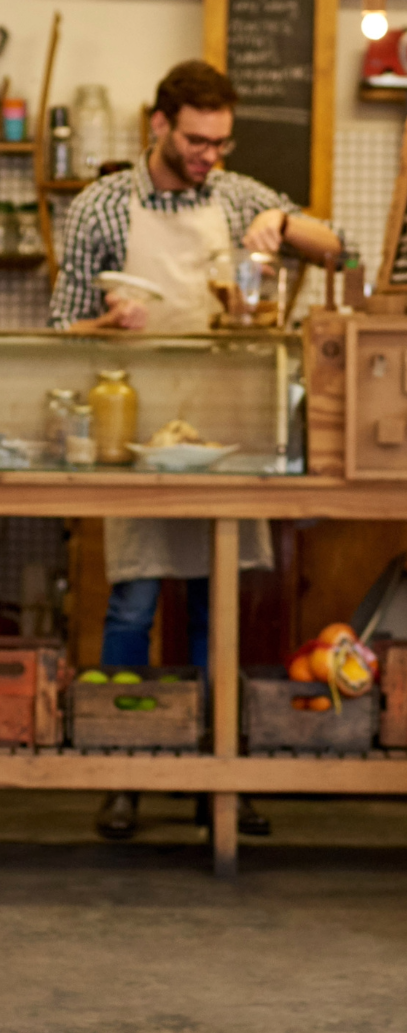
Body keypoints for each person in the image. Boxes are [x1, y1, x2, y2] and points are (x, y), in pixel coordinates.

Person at [48, 60, 343, 842]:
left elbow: (336, 251)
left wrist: (285, 227)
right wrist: (104, 328)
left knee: (220, 610)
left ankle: (225, 777)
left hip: (224, 437)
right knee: (133, 604)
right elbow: (56, 333)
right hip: (132, 433)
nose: (210, 154)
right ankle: (126, 775)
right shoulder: (102, 208)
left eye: (221, 141)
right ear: (159, 125)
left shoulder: (240, 196)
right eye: (196, 140)